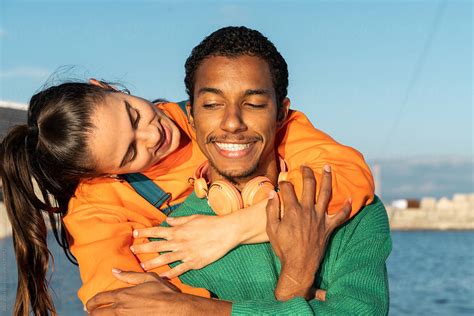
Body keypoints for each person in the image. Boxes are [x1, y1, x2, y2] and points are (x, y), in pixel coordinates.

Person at [0, 30, 374, 316]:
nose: (153, 133)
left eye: (133, 113)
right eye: (131, 152)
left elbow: (347, 175)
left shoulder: (222, 117)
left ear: (106, 87)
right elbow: (116, 302)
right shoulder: (96, 207)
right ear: (103, 176)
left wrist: (232, 229)